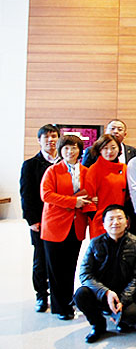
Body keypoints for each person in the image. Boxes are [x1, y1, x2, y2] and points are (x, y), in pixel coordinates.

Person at [74, 205, 136, 343]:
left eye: (119, 218)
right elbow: (85, 274)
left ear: (127, 222)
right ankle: (98, 325)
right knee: (81, 294)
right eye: (111, 219)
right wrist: (105, 292)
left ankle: (121, 319)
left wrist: (122, 300)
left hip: (124, 294)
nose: (115, 222)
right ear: (104, 224)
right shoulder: (95, 243)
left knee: (131, 315)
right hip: (101, 293)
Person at [40, 135, 93, 320]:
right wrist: (73, 202)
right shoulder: (53, 170)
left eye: (74, 148)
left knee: (70, 267)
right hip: (55, 225)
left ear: (80, 150)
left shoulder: (86, 171)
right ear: (60, 151)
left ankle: (69, 302)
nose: (70, 152)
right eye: (66, 148)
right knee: (56, 269)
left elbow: (90, 193)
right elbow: (46, 195)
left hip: (76, 225)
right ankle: (59, 307)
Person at [19, 124, 59, 312]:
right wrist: (32, 220)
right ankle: (41, 295)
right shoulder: (30, 165)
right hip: (41, 221)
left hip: (62, 220)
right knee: (41, 260)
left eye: (54, 136)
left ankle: (60, 296)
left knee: (60, 261)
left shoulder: (65, 162)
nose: (50, 140)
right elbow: (26, 195)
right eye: (46, 137)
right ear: (39, 140)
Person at [85, 134, 128, 238]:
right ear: (100, 150)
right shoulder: (94, 169)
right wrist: (94, 215)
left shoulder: (124, 168)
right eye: (105, 148)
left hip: (120, 218)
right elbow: (88, 197)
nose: (110, 151)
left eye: (113, 148)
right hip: (101, 219)